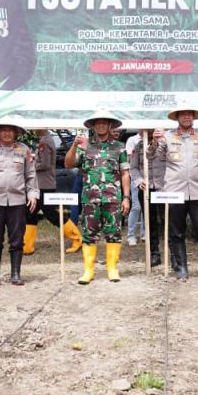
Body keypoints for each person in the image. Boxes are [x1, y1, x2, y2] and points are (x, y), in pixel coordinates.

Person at [150, 106, 198, 281]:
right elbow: (151, 156)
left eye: (189, 114)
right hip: (174, 191)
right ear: (177, 117)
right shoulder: (167, 136)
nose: (186, 117)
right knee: (176, 232)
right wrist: (154, 141)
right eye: (183, 114)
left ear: (193, 117)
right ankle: (181, 268)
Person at [65, 111, 130, 284]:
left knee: (114, 233)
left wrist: (126, 197)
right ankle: (88, 271)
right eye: (97, 123)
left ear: (110, 125)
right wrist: (74, 146)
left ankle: (112, 268)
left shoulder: (119, 147)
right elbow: (68, 163)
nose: (101, 125)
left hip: (113, 198)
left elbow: (125, 173)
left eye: (104, 122)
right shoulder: (85, 146)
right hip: (90, 198)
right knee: (89, 234)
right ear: (93, 126)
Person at [0, 119, 39, 286]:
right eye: (3, 130)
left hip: (17, 201)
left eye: (10, 130)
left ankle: (16, 274)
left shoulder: (24, 149)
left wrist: (33, 194)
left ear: (16, 132)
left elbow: (30, 174)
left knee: (17, 239)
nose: (6, 133)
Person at [129, 129, 166, 268]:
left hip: (165, 188)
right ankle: (154, 253)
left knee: (169, 221)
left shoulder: (168, 142)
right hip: (146, 188)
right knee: (150, 222)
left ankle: (175, 255)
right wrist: (139, 180)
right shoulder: (139, 145)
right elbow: (133, 168)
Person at [27, 127, 61, 254]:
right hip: (41, 184)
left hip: (45, 184)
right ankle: (27, 246)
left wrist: (30, 165)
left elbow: (45, 164)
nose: (33, 129)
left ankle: (77, 238)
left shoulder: (45, 142)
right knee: (29, 213)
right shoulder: (45, 140)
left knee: (51, 214)